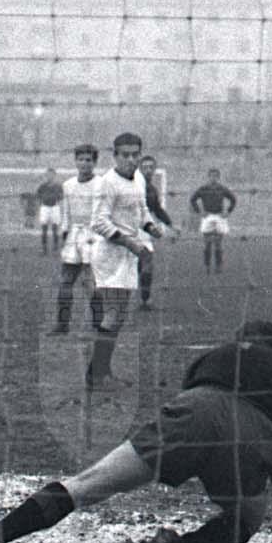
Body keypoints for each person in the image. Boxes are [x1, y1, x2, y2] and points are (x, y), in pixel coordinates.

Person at [0, 318, 272, 543]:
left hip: (193, 413)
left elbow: (201, 408)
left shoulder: (213, 357)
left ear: (238, 342)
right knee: (244, 524)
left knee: (88, 484)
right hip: (249, 435)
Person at [85, 133, 162, 388]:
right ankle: (97, 376)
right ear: (115, 156)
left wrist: (150, 227)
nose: (131, 159)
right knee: (114, 313)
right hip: (110, 254)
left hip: (129, 253)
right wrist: (130, 243)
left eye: (135, 154)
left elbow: (142, 210)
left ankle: (101, 372)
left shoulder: (138, 177)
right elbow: (98, 222)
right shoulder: (107, 183)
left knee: (118, 315)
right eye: (125, 155)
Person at [49, 143, 104, 337]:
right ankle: (62, 324)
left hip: (94, 236)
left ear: (94, 162)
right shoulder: (68, 185)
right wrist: (65, 235)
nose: (84, 163)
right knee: (65, 281)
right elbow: (66, 214)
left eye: (88, 160)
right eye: (80, 159)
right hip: (74, 235)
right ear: (75, 161)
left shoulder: (101, 184)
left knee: (90, 283)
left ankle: (98, 323)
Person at [136, 153, 173, 308]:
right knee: (137, 265)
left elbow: (157, 209)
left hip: (144, 230)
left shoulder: (152, 189)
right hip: (128, 229)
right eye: (145, 167)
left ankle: (145, 300)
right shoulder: (132, 186)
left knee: (146, 263)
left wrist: (171, 225)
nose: (148, 170)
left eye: (151, 167)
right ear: (139, 169)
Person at [188, 168, 238, 272]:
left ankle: (218, 266)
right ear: (208, 177)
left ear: (218, 177)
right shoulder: (203, 189)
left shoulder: (222, 189)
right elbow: (192, 199)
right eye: (211, 176)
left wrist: (228, 211)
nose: (213, 178)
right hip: (207, 216)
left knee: (218, 244)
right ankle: (207, 266)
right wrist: (200, 211)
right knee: (207, 244)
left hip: (219, 216)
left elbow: (233, 199)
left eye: (215, 176)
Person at [33, 168, 64, 254]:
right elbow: (38, 195)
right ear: (46, 176)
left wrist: (56, 197)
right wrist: (43, 198)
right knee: (44, 228)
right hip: (45, 207)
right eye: (48, 175)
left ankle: (55, 248)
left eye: (51, 175)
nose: (49, 176)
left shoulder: (58, 186)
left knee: (55, 228)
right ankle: (44, 248)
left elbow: (61, 196)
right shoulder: (43, 186)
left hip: (54, 207)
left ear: (54, 175)